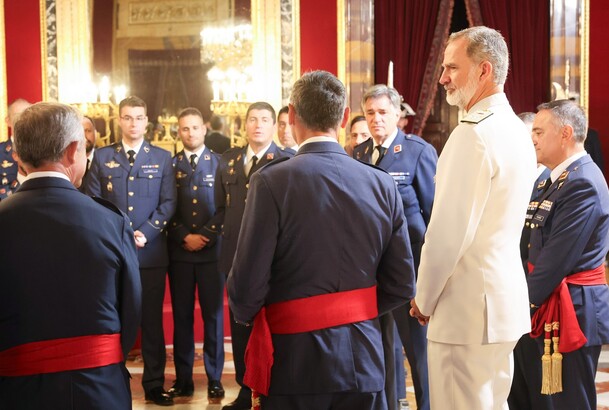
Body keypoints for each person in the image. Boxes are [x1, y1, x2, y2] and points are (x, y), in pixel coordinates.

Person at [227, 69, 416, 410]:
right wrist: (351, 310)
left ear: (292, 116)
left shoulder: (271, 182)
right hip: (364, 359)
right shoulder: (382, 184)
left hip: (292, 360)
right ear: (345, 117)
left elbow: (246, 286)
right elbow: (402, 283)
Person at [410, 26, 537, 409]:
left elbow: (448, 235)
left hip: (465, 312)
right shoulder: (517, 129)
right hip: (500, 306)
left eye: (452, 67)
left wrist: (424, 298)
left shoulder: (473, 134)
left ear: (484, 70)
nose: (443, 78)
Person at [0, 102, 141, 408]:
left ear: (18, 154)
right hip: (99, 387)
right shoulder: (111, 221)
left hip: (16, 390)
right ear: (72, 151)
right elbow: (131, 309)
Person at [509, 100, 609, 410]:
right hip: (547, 304)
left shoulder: (582, 182)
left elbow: (555, 260)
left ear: (565, 133)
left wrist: (517, 307)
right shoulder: (555, 179)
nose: (533, 138)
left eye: (539, 131)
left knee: (568, 402)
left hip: (571, 311)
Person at [84, 95, 177, 406]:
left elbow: (168, 203)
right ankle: (114, 379)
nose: (133, 123)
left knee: (151, 321)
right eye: (127, 117)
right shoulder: (102, 157)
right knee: (115, 320)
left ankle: (154, 384)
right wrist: (122, 233)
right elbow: (93, 202)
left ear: (146, 121)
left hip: (150, 254)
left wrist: (146, 232)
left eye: (139, 117)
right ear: (118, 121)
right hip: (113, 252)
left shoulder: (163, 157)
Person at [354, 84, 437, 410]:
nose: (376, 119)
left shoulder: (418, 151)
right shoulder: (359, 154)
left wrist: (428, 278)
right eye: (370, 113)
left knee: (418, 353)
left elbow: (433, 218)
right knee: (380, 349)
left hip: (410, 271)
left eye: (383, 112)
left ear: (398, 115)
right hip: (372, 272)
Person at [211, 101, 294, 410]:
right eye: (252, 120)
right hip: (234, 256)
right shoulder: (229, 161)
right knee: (240, 326)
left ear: (275, 126)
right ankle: (246, 391)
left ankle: (273, 390)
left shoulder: (285, 160)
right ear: (243, 126)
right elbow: (221, 208)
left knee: (273, 327)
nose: (258, 125)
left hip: (272, 259)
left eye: (264, 120)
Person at [167, 107, 225, 400]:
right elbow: (165, 204)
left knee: (213, 317)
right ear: (179, 132)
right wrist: (182, 235)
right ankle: (184, 378)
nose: (190, 133)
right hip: (179, 253)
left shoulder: (220, 163)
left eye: (195, 127)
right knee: (182, 318)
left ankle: (215, 378)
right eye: (185, 129)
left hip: (211, 252)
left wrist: (205, 235)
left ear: (204, 129)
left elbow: (225, 206)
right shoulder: (170, 164)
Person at [0, 98, 31, 200]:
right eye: (17, 115)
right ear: (8, 121)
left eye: (27, 114)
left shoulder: (44, 150)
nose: (23, 119)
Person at [78, 115, 97, 191]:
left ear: (95, 133)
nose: (84, 137)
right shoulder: (67, 163)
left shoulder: (106, 160)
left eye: (88, 131)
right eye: (80, 132)